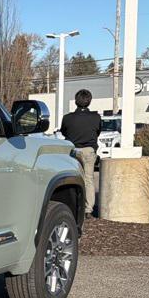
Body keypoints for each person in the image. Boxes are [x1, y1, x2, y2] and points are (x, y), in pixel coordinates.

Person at [60, 88, 101, 216]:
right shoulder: (96, 117)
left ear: (75, 101)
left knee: (72, 179)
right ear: (89, 101)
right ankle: (88, 210)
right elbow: (98, 132)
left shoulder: (67, 118)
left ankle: (72, 206)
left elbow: (63, 132)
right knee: (88, 180)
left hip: (72, 151)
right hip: (89, 151)